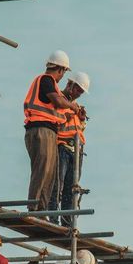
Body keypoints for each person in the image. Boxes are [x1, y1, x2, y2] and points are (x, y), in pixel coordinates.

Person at [24, 50, 81, 213]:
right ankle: (34, 208)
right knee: (42, 170)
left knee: (49, 173)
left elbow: (58, 107)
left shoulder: (51, 86)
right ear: (61, 69)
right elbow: (58, 101)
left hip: (47, 131)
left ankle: (41, 209)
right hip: (40, 130)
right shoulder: (46, 80)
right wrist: (71, 105)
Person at [48, 71, 90, 226]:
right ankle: (53, 219)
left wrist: (81, 119)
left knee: (70, 190)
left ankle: (67, 223)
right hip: (62, 148)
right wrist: (68, 116)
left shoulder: (75, 106)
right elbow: (55, 122)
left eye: (81, 91)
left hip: (76, 151)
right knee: (56, 186)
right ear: (70, 84)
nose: (79, 93)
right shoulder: (59, 101)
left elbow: (78, 129)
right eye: (78, 89)